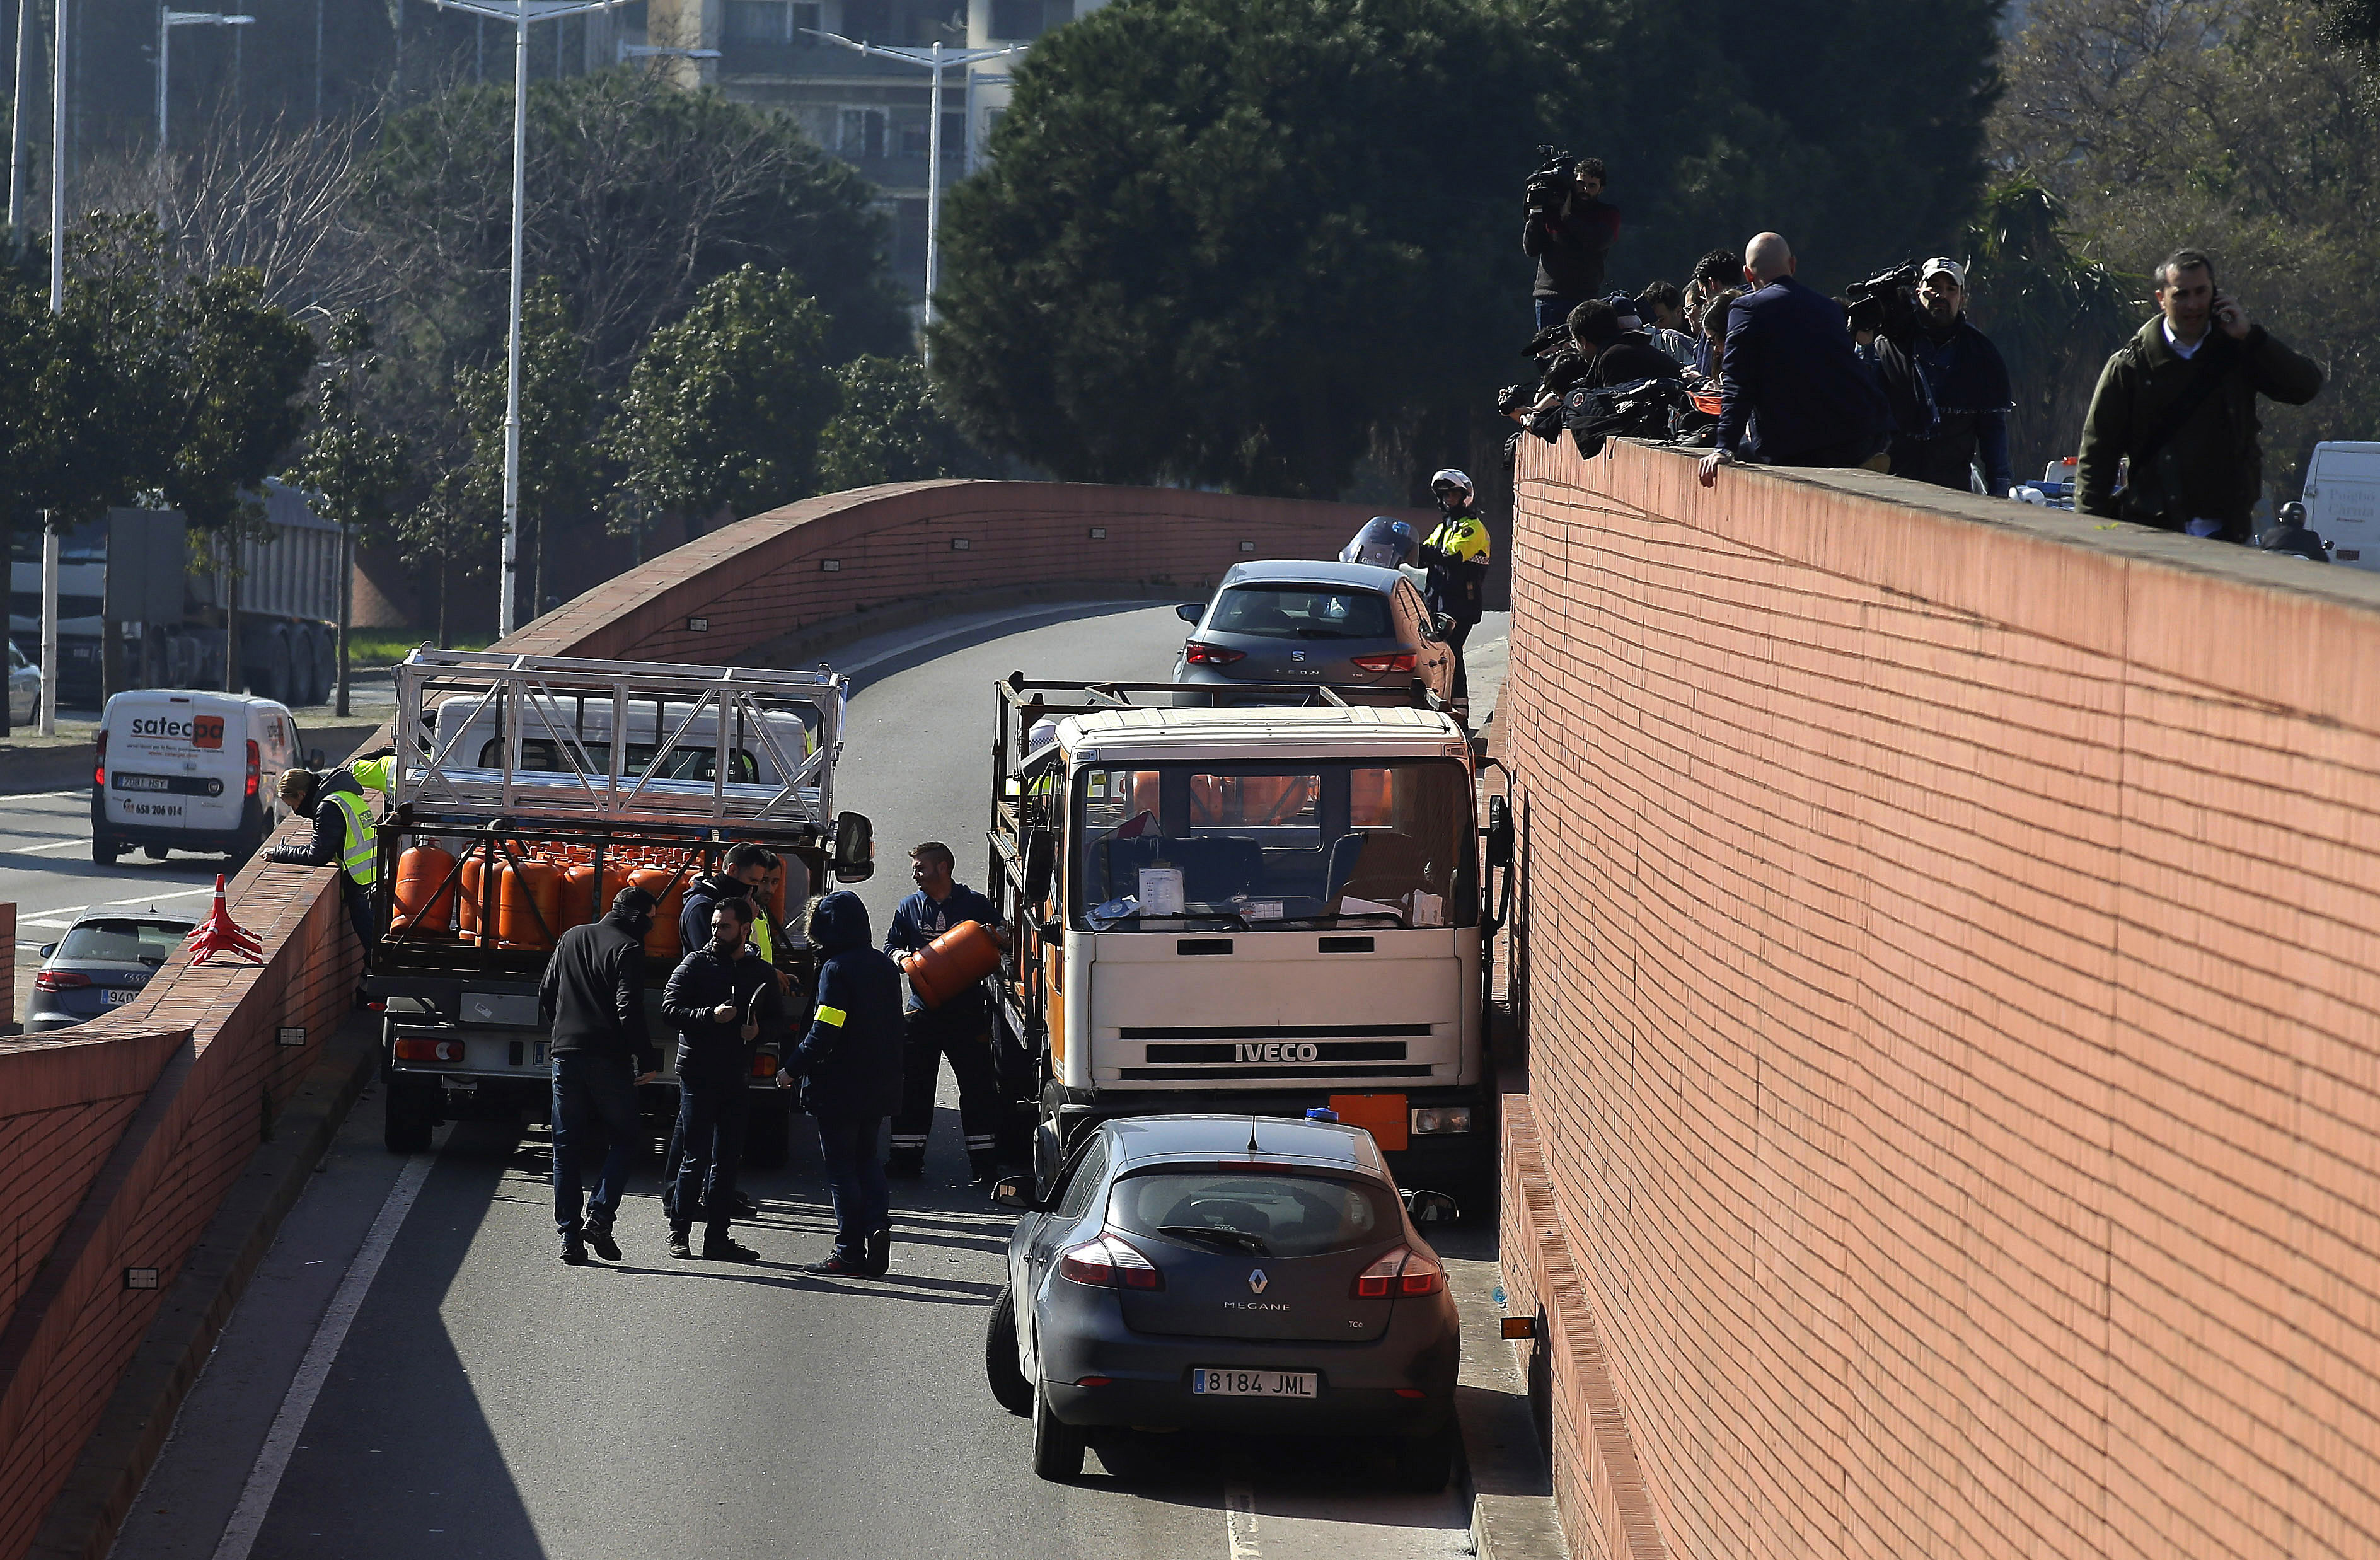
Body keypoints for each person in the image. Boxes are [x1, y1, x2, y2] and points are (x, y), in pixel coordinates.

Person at [2076, 248, 2323, 540]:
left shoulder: (2239, 351)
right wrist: (2089, 538)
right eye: (2181, 295)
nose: (2193, 304)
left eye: (2201, 292)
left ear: (2215, 294)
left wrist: (2252, 337)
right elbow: (2098, 455)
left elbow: (2305, 387)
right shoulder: (2131, 365)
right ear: (2161, 300)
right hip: (2153, 534)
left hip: (2228, 533)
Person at [1699, 233, 1890, 488]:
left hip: (1796, 443)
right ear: (1792, 265)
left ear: (1748, 274)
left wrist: (1724, 447)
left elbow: (1738, 383)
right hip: (1859, 434)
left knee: (1749, 450)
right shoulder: (1828, 308)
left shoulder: (1746, 309)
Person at [782, 890, 904, 1276]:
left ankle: (848, 1250)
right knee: (867, 1160)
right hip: (879, 1084)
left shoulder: (836, 969)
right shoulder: (884, 966)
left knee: (840, 1170)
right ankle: (878, 1227)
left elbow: (825, 1030)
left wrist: (793, 1068)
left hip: (839, 1086)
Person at [537, 886, 662, 1265]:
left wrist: (561, 1030)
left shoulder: (571, 936)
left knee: (566, 1146)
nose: (652, 929)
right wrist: (645, 1056)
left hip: (566, 1054)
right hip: (608, 1058)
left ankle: (570, 1238)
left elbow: (546, 990)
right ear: (638, 919)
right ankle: (601, 1216)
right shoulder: (628, 949)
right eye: (652, 921)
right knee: (625, 1137)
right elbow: (629, 1009)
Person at [660, 896, 789, 1261]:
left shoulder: (759, 971)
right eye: (715, 925)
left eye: (725, 926)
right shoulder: (696, 964)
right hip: (698, 1073)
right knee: (695, 1155)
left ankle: (717, 1237)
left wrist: (758, 1032)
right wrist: (708, 1015)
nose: (716, 932)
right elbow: (669, 1010)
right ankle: (679, 1231)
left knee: (728, 1158)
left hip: (736, 1074)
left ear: (745, 930)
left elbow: (779, 1020)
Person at [884, 842, 1009, 1183]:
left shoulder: (974, 905)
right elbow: (890, 945)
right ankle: (906, 1160)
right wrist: (900, 959)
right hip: (922, 1013)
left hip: (966, 1013)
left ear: (943, 868)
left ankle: (984, 1165)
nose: (914, 874)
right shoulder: (909, 907)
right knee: (913, 1086)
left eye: (920, 867)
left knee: (978, 1087)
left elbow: (1006, 936)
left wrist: (997, 935)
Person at [1872, 259, 2016, 497]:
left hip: (1951, 490)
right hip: (1891, 486)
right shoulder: (1889, 344)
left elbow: (1994, 433)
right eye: (1934, 286)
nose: (1942, 295)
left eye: (1951, 289)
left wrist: (1998, 493)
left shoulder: (1981, 353)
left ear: (1962, 298)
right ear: (1919, 292)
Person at [266, 756, 390, 950]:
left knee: (377, 952)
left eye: (293, 805)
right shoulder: (345, 796)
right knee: (379, 948)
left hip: (361, 885)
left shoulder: (328, 808)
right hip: (375, 878)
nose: (296, 811)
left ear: (302, 794)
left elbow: (318, 854)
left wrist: (280, 853)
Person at [1419, 470, 1493, 708]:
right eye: (1444, 495)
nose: (1448, 499)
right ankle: (1445, 701)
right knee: (1439, 653)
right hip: (1439, 601)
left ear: (1465, 496)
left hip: (1461, 603)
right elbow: (1424, 554)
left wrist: (1423, 551)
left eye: (1452, 494)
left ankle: (1459, 707)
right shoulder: (1443, 528)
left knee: (1452, 652)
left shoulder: (1472, 528)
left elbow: (1451, 556)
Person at [1523, 156, 1620, 332]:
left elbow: (1597, 241)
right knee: (1549, 353)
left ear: (1601, 189)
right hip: (1549, 297)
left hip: (1584, 298)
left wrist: (1568, 218)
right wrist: (1536, 212)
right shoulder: (1552, 211)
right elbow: (1532, 248)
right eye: (1581, 184)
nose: (1585, 190)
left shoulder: (1607, 214)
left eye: (1592, 186)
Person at [1570, 298, 1687, 388]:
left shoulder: (1614, 357)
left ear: (1583, 341)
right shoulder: (1630, 345)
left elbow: (1617, 412)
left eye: (1574, 341)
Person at [1636, 281, 1698, 365]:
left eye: (1661, 320)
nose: (1656, 327)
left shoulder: (1697, 330)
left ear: (1678, 311)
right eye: (1651, 323)